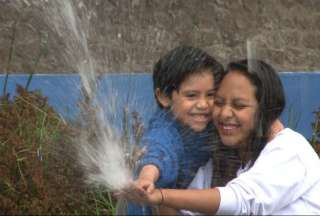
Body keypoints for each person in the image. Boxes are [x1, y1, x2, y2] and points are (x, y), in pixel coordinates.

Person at [123, 59, 320, 215]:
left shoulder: (290, 149)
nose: (224, 113)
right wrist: (153, 192)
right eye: (219, 102)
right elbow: (187, 206)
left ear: (266, 109)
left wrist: (162, 196)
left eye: (239, 105)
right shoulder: (224, 158)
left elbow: (242, 202)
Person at [125, 45, 224, 215]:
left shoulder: (212, 122)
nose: (203, 105)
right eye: (191, 95)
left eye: (210, 94)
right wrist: (146, 178)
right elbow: (157, 152)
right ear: (164, 96)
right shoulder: (165, 130)